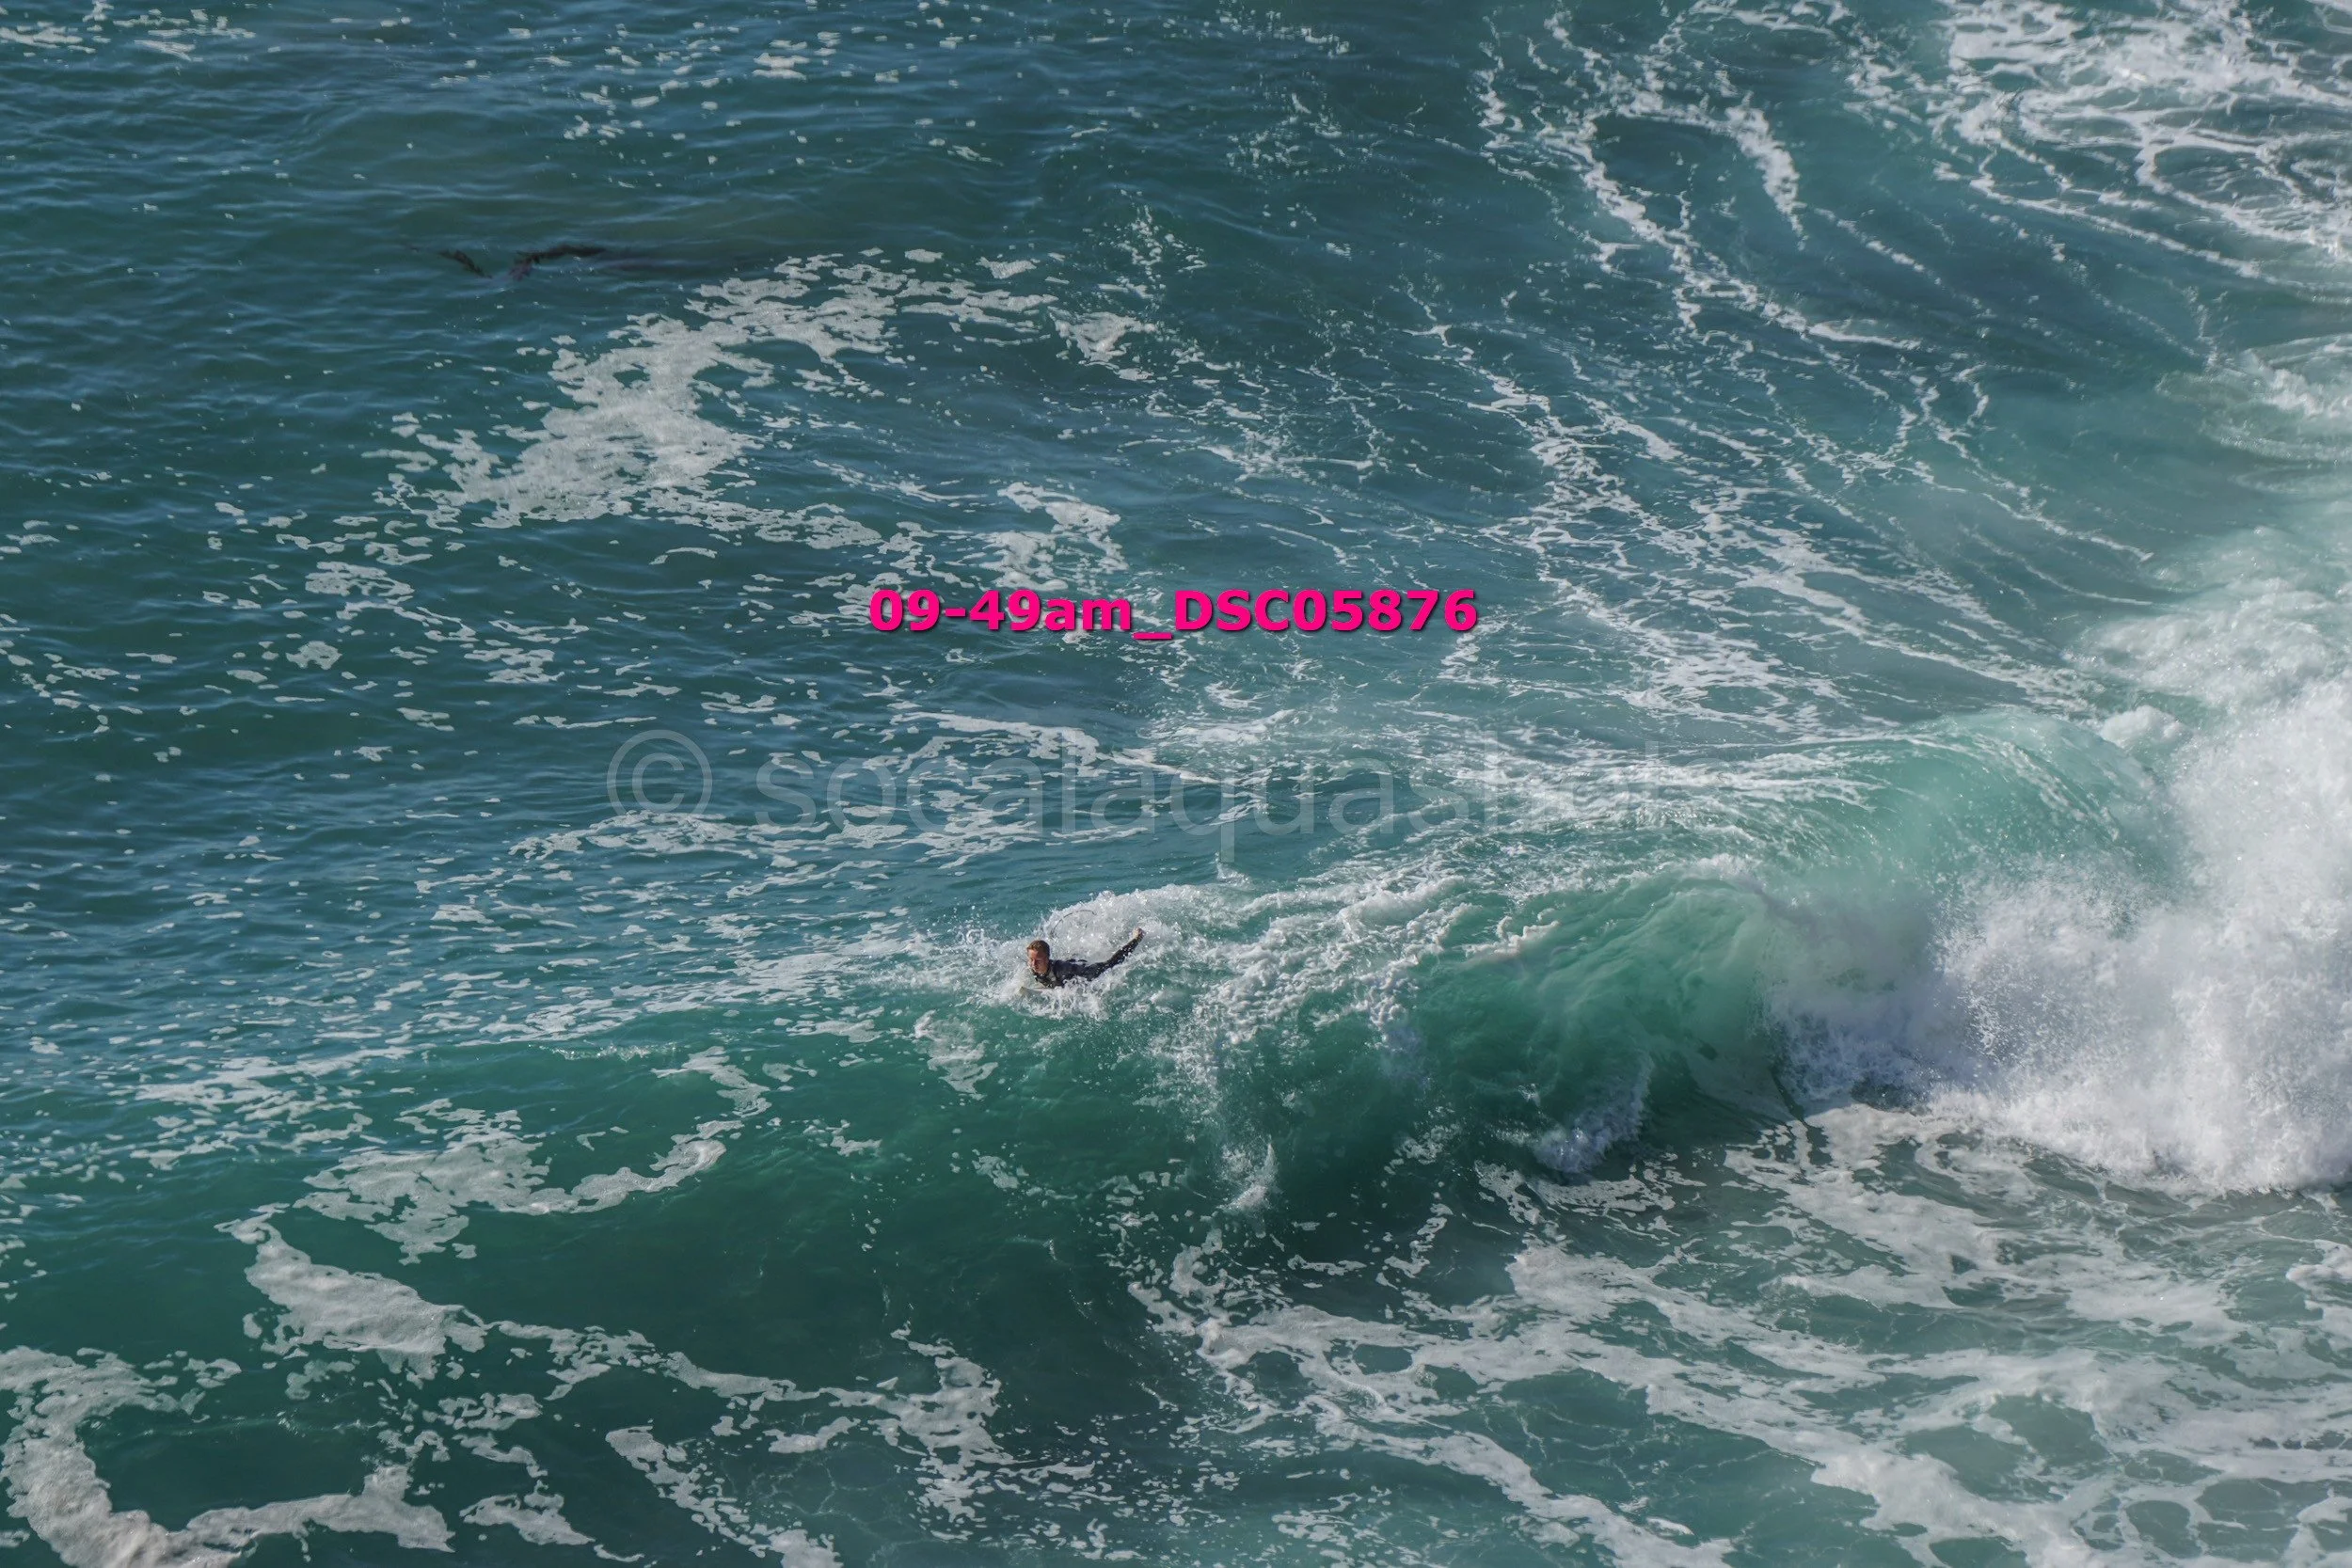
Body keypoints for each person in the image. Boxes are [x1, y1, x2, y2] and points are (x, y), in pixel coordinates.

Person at [1028, 927, 1144, 989]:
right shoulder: (1033, 967)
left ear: (1047, 958)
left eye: (1038, 960)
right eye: (1031, 959)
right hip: (1069, 963)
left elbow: (1107, 965)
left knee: (1110, 964)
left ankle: (1137, 938)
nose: (1033, 964)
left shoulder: (1063, 970)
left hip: (1082, 969)